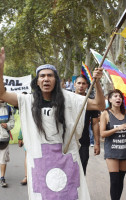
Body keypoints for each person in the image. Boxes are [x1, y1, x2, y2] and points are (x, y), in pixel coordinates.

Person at [0, 47, 105, 199]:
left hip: (67, 157)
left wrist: (98, 83)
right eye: (42, 76)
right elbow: (2, 93)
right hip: (40, 160)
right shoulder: (27, 100)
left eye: (50, 75)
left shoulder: (71, 98)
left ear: (56, 80)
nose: (46, 79)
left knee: (70, 194)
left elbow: (100, 106)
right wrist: (1, 67)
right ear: (37, 81)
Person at [74, 74, 100, 175]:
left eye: (83, 83)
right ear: (74, 84)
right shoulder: (67, 99)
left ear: (87, 86)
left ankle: (81, 191)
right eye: (79, 83)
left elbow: (95, 124)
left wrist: (97, 143)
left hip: (84, 142)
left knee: (81, 171)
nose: (81, 85)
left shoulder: (91, 102)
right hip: (68, 140)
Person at [0, 98, 15, 187]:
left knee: (2, 158)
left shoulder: (9, 109)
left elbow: (12, 123)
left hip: (4, 139)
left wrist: (7, 125)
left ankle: (2, 177)